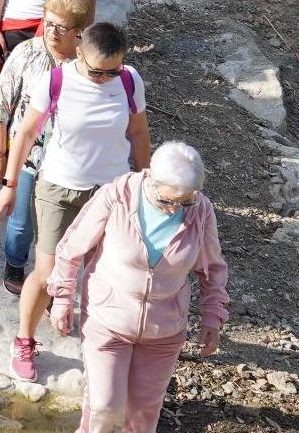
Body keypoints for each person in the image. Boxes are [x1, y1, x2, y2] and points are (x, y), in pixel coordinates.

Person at [0, 22, 151, 383]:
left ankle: (102, 344)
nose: (103, 78)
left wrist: (146, 186)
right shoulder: (56, 80)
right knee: (48, 274)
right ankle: (24, 341)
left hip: (112, 194)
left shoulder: (129, 81)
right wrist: (9, 184)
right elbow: (26, 132)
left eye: (113, 71)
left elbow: (138, 133)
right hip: (60, 188)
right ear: (79, 52)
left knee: (106, 273)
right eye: (96, 71)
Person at [48, 142, 229, 432]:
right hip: (107, 321)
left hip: (164, 329)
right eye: (166, 201)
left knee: (144, 416)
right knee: (104, 407)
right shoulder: (116, 197)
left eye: (184, 202)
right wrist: (62, 297)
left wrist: (212, 317)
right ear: (150, 179)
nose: (174, 210)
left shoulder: (201, 211)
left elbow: (213, 268)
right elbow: (71, 248)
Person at [0, 0, 92, 296]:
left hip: (66, 162)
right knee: (20, 221)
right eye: (49, 23)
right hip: (27, 157)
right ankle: (15, 263)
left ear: (79, 32)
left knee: (57, 227)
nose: (52, 32)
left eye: (61, 27)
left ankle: (49, 278)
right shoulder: (27, 54)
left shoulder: (87, 64)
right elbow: (0, 107)